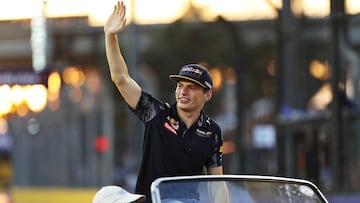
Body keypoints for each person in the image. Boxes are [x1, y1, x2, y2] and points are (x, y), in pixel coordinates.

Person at [104, 1, 227, 202]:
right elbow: (121, 79)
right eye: (180, 86)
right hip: (152, 200)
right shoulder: (156, 113)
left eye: (192, 87)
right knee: (106, 196)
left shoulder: (212, 132)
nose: (183, 91)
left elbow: (218, 184)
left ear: (207, 95)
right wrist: (110, 36)